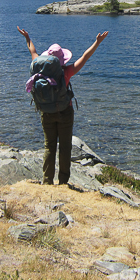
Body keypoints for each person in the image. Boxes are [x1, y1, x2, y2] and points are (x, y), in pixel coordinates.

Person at [17, 26, 108, 185]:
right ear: (62, 60)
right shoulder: (67, 71)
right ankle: (63, 182)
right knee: (65, 147)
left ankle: (47, 181)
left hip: (46, 112)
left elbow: (32, 51)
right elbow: (85, 57)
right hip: (65, 113)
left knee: (49, 146)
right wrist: (97, 42)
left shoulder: (39, 70)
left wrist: (27, 37)